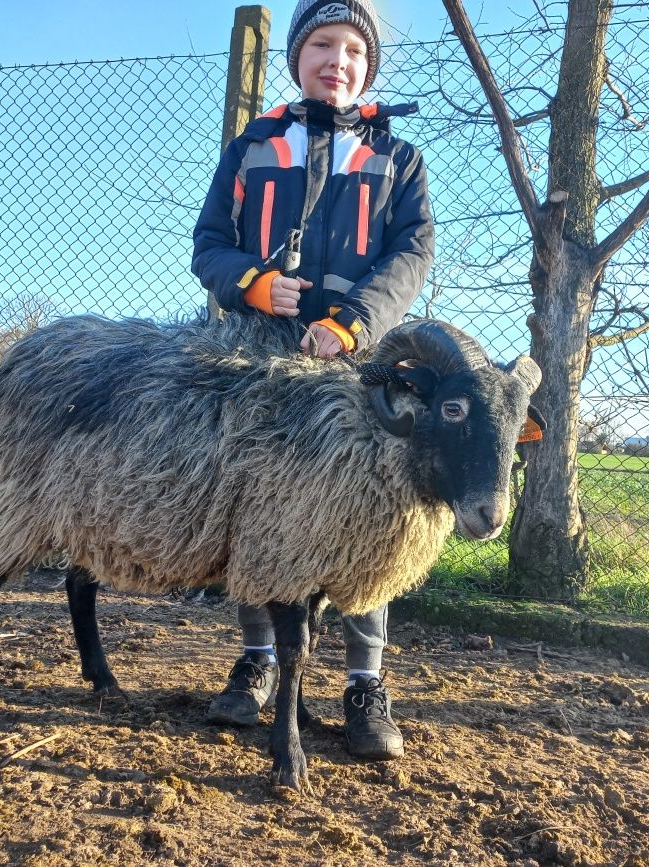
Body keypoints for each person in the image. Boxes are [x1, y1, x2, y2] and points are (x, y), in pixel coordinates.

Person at [191, 0, 433, 761]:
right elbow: (209, 245)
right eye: (323, 45)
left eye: (353, 50)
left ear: (369, 65)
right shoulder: (253, 145)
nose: (338, 60)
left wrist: (356, 320)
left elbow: (412, 253)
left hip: (361, 359)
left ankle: (365, 680)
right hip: (261, 352)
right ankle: (259, 656)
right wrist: (254, 285)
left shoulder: (398, 157)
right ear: (297, 57)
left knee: (373, 518)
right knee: (259, 509)